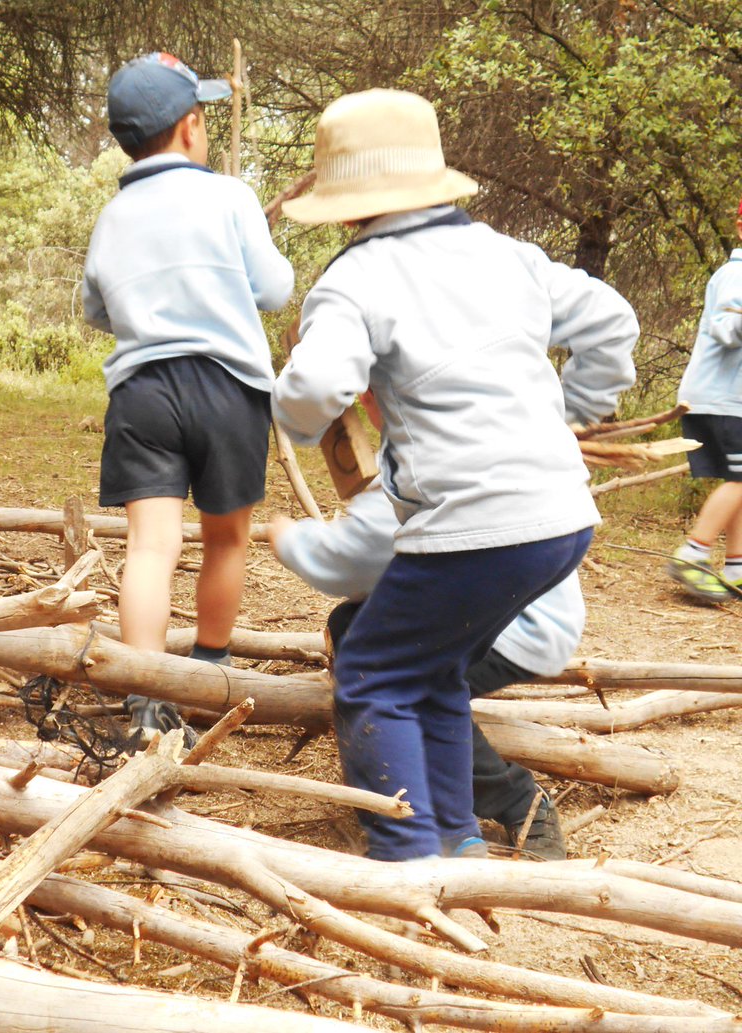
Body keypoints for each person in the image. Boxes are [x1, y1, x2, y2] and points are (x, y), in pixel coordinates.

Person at [271, 88, 637, 862]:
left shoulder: (355, 278)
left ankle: (405, 858)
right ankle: (457, 835)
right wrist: (573, 410)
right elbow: (611, 321)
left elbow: (313, 388)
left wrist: (296, 425)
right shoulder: (509, 254)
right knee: (430, 665)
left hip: (475, 526)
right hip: (563, 520)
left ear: (345, 206)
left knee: (371, 668)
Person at [81, 52, 295, 746]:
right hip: (229, 386)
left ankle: (146, 696)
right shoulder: (230, 197)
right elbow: (272, 290)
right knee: (226, 536)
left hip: (143, 390)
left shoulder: (114, 215)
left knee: (151, 545)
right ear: (192, 127)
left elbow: (96, 308)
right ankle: (209, 667)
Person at [269, 484, 577, 859]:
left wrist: (290, 538)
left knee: (399, 673)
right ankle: (451, 828)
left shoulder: (429, 458)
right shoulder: (498, 436)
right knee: (354, 625)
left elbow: (352, 562)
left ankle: (512, 803)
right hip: (520, 604)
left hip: (520, 626)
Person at [666, 198, 742, 603]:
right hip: (722, 399)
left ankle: (736, 568)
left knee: (740, 481)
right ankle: (692, 555)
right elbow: (727, 328)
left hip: (726, 400)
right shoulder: (736, 275)